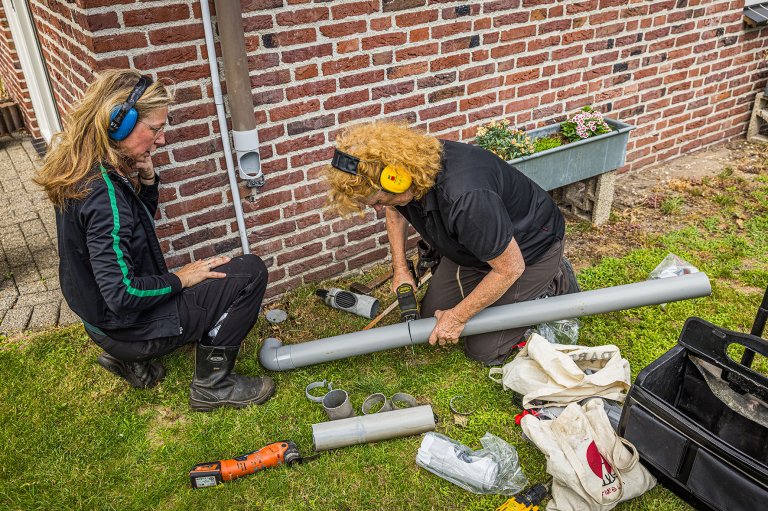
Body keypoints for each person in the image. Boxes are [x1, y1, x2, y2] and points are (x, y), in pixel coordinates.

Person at [34, 69, 274, 411]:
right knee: (250, 271)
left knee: (202, 277)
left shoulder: (81, 169)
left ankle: (129, 361)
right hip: (126, 327)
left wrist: (147, 182)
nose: (160, 140)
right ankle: (213, 386)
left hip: (101, 325)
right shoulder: (103, 196)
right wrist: (181, 278)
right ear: (119, 122)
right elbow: (122, 293)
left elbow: (134, 228)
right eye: (155, 129)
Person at [324, 120, 578, 365]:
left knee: (482, 350)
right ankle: (487, 272)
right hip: (471, 249)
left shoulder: (466, 198)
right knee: (430, 318)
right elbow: (394, 211)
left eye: (379, 201)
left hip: (528, 251)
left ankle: (555, 278)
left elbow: (509, 268)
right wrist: (400, 269)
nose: (380, 208)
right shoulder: (406, 175)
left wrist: (457, 318)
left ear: (399, 178)